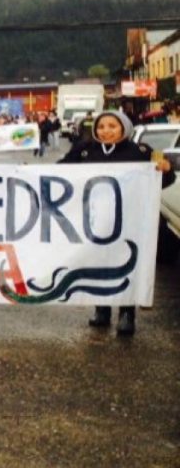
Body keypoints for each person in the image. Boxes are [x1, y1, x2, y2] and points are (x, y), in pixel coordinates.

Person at [59, 110, 174, 337]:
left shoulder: (140, 152)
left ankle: (126, 313)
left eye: (112, 126)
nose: (106, 131)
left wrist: (165, 170)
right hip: (94, 219)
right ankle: (102, 310)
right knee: (98, 263)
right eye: (101, 127)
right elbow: (60, 170)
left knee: (126, 264)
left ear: (124, 128)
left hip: (131, 219)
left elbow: (163, 181)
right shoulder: (84, 150)